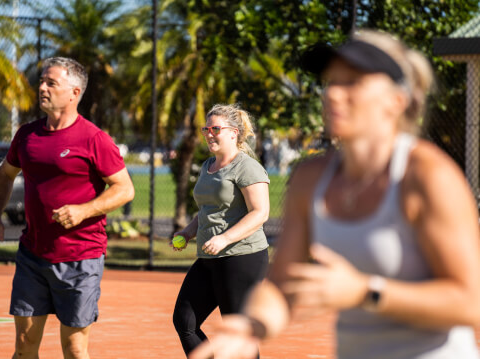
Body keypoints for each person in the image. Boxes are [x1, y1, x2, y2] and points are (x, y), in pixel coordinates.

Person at [190, 30, 480, 359]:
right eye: (332, 82)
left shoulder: (427, 176)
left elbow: (470, 302)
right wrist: (251, 326)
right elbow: (281, 287)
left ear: (396, 100)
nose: (333, 95)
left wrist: (366, 293)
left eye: (353, 82)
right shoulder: (310, 179)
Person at [0, 57, 135, 359]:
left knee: (75, 349)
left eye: (51, 83)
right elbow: (4, 174)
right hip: (32, 255)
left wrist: (83, 210)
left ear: (74, 92)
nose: (42, 88)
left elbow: (125, 189)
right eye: (41, 81)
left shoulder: (94, 139)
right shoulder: (27, 135)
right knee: (24, 347)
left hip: (81, 259)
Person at [172, 104, 271, 357]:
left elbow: (260, 212)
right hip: (209, 257)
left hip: (242, 257)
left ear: (233, 133)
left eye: (215, 128)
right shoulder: (208, 166)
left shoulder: (247, 167)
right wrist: (187, 233)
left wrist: (225, 238)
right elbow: (207, 211)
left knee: (238, 333)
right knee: (185, 322)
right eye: (206, 129)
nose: (208, 134)